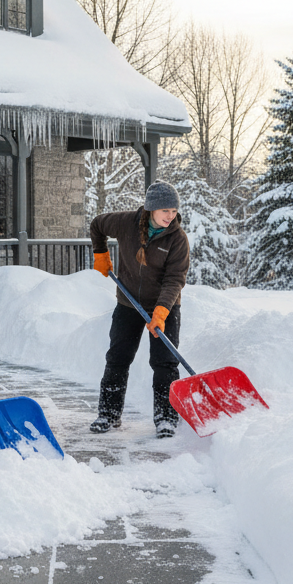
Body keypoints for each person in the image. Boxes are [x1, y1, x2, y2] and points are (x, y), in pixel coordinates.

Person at [89, 180, 190, 438]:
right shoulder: (126, 223)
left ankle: (165, 417)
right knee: (118, 358)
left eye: (174, 210)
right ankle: (108, 414)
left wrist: (161, 312)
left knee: (164, 363)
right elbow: (97, 225)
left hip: (164, 307)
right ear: (151, 209)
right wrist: (101, 254)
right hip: (128, 303)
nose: (171, 216)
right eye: (166, 210)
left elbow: (174, 279)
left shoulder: (177, 239)